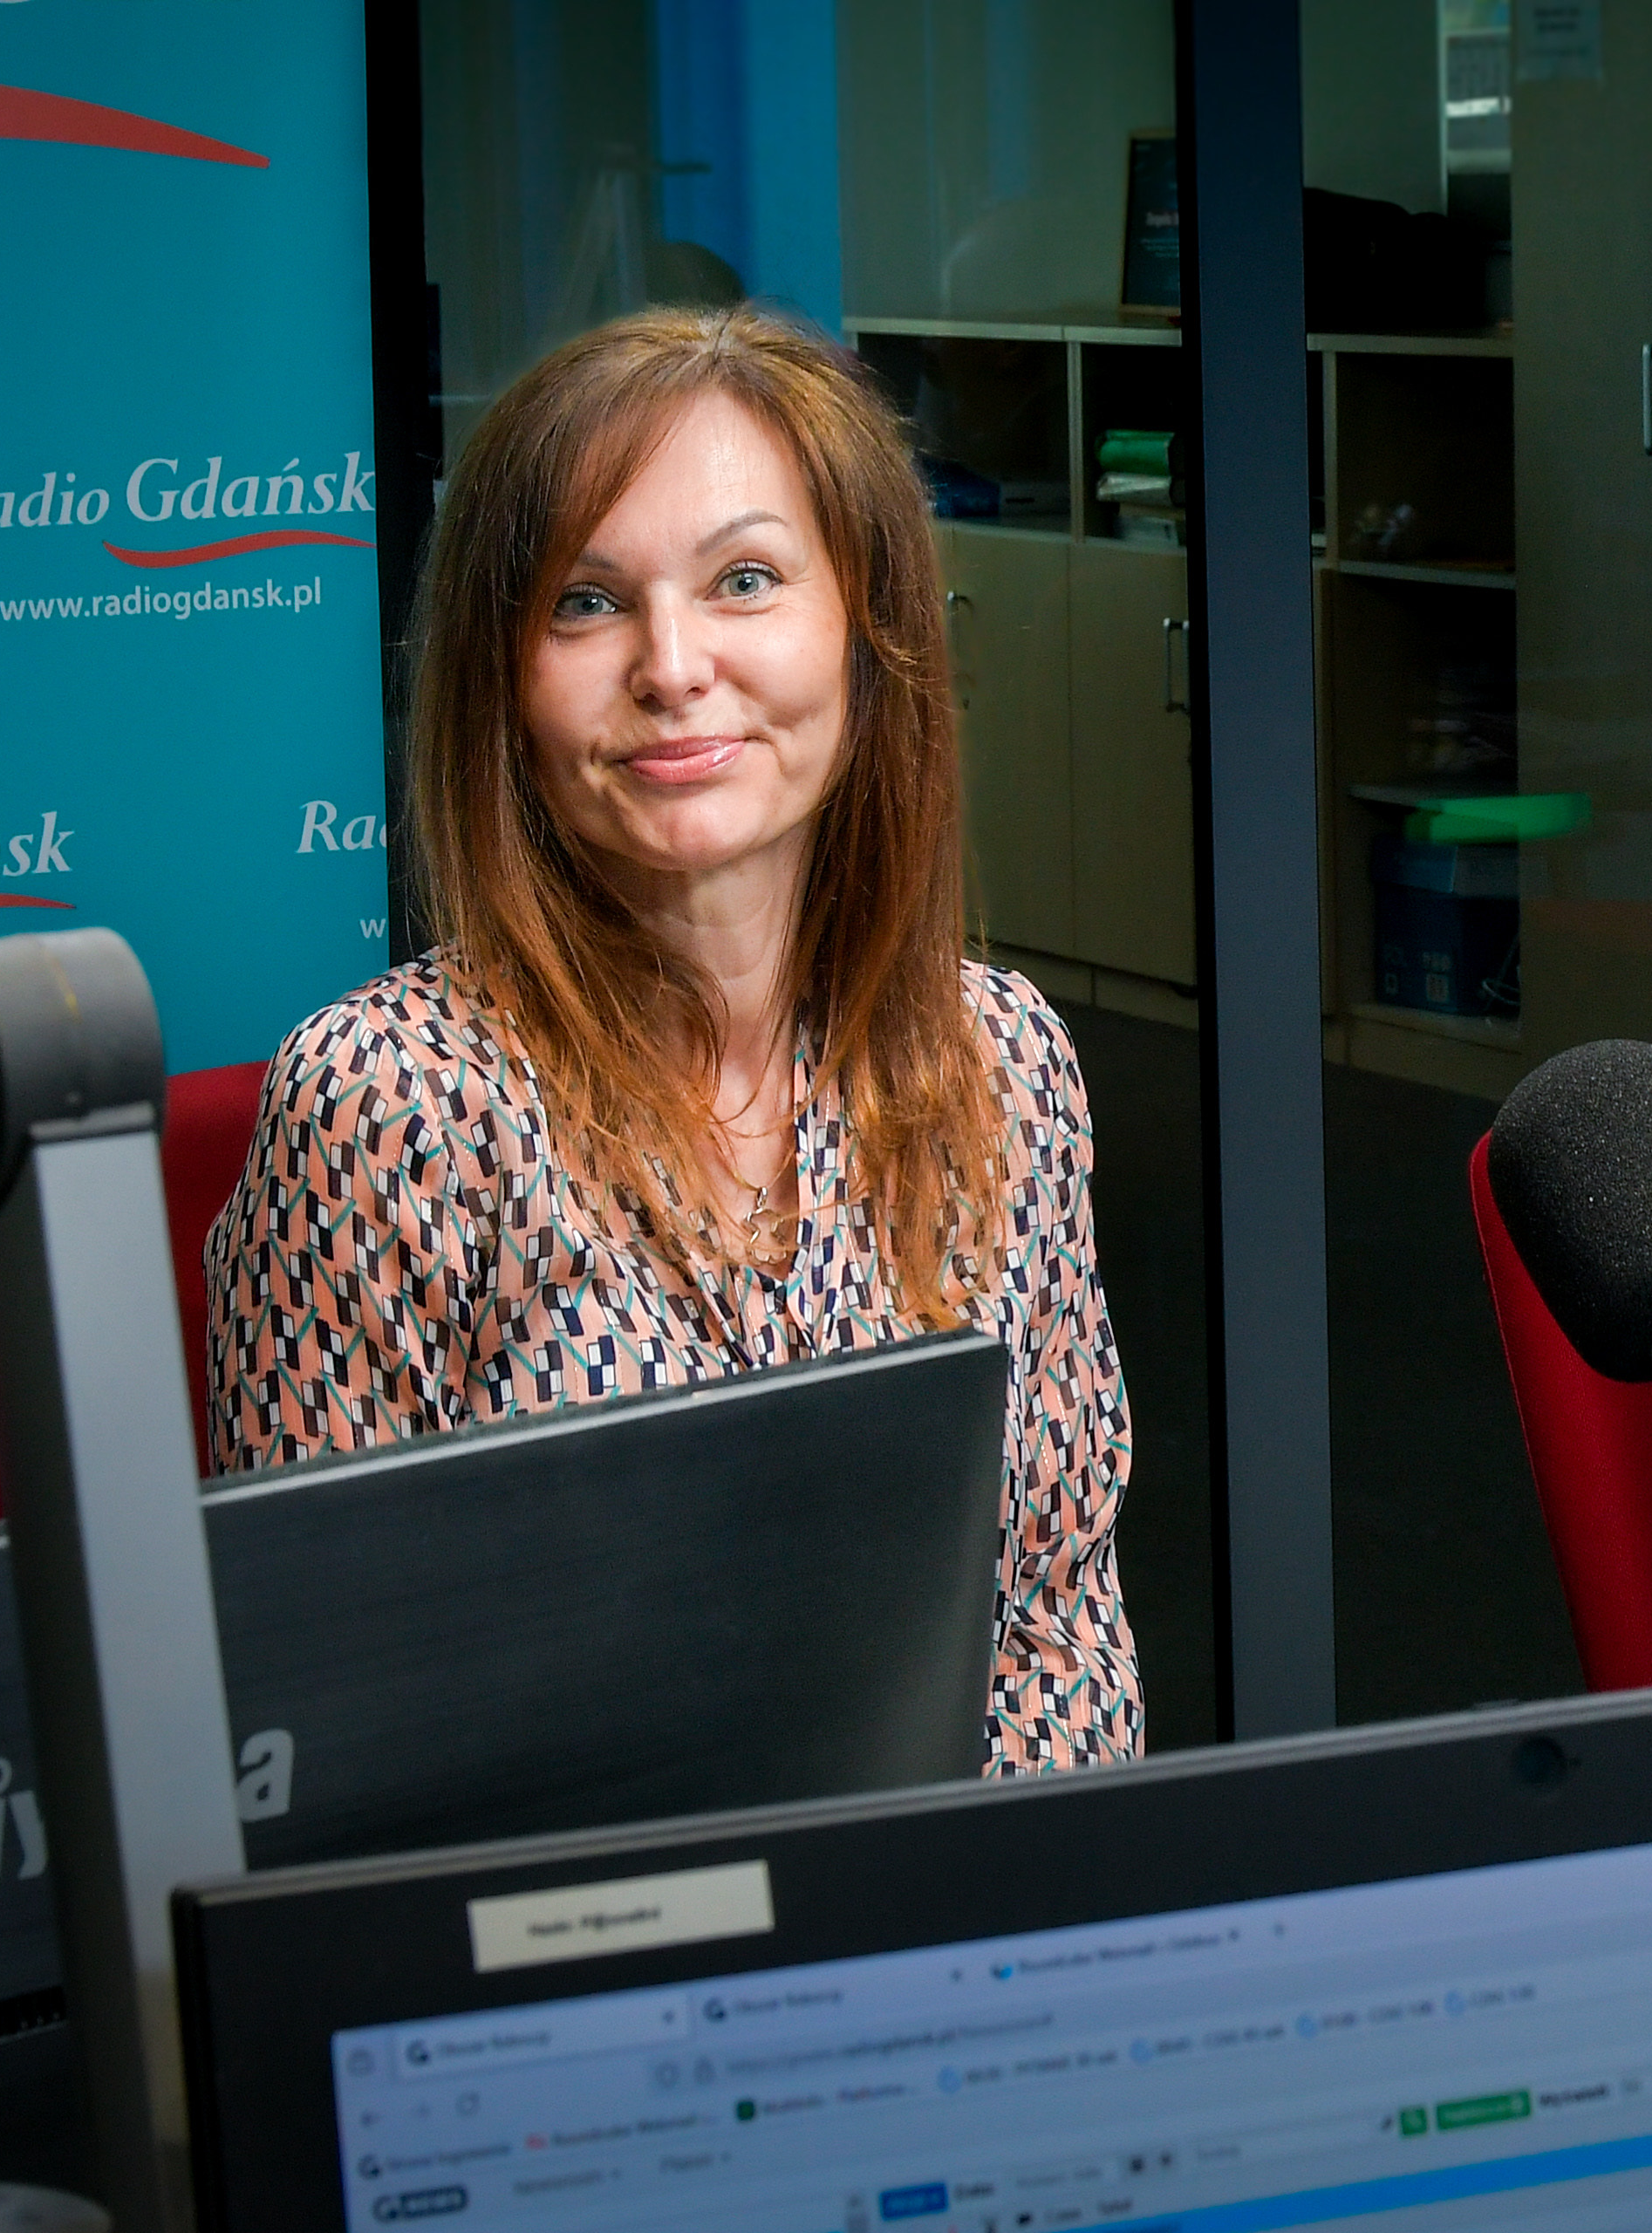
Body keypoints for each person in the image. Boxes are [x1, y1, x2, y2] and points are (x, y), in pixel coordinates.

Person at [202, 307, 1141, 1771]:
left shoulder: (997, 1059)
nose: (673, 665)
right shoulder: (388, 1106)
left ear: (868, 630)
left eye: (746, 580)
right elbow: (314, 1728)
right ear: (502, 692)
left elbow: (1055, 1617)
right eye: (587, 603)